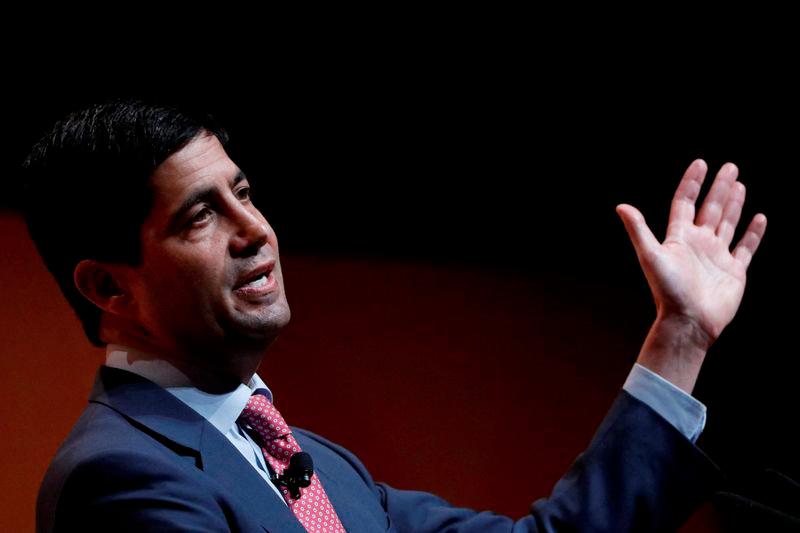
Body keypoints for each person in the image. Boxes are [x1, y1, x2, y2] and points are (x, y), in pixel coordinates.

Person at [24, 100, 767, 532]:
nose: (253, 230)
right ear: (109, 288)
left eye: (244, 194)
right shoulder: (119, 479)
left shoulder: (316, 463)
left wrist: (681, 334)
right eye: (198, 217)